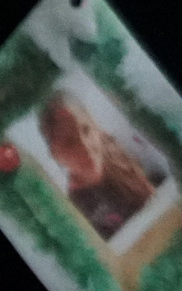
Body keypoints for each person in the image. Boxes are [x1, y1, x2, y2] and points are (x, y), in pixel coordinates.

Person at [38, 92, 164, 243]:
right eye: (70, 142)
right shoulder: (76, 212)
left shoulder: (119, 149)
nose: (85, 146)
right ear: (55, 154)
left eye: (86, 130)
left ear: (95, 126)